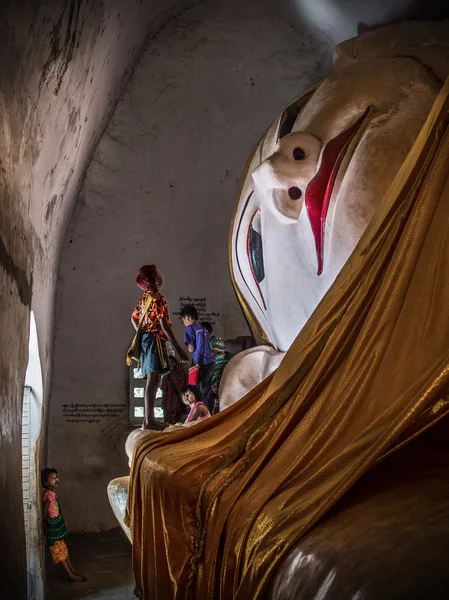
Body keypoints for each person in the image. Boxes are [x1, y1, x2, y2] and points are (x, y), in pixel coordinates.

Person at [131, 265, 188, 430]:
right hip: (154, 341)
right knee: (153, 379)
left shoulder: (144, 298)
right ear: (154, 279)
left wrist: (142, 332)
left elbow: (134, 318)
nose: (160, 276)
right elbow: (164, 325)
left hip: (146, 340)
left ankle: (147, 420)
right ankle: (149, 420)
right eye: (158, 274)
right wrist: (177, 348)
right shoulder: (158, 298)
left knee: (153, 379)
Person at [41, 468, 86, 583]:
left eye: (56, 477)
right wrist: (45, 524)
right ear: (45, 482)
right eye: (52, 478)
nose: (56, 480)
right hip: (53, 527)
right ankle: (71, 575)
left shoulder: (51, 493)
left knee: (63, 550)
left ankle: (73, 571)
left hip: (56, 526)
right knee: (59, 553)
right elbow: (45, 511)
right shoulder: (48, 495)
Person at [180, 304, 215, 412]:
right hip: (210, 363)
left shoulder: (189, 329)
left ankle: (199, 417)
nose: (184, 323)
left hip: (199, 363)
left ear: (188, 317)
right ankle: (207, 416)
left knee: (197, 392)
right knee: (206, 392)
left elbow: (191, 348)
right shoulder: (204, 328)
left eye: (183, 320)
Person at [201, 322, 231, 411]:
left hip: (220, 366)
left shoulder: (218, 342)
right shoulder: (204, 344)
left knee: (213, 383)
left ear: (211, 333)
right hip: (210, 368)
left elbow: (214, 359)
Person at [161, 356, 187, 425]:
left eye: (172, 362)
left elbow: (185, 389)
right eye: (168, 363)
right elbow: (164, 392)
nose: (171, 364)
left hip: (179, 404)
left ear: (176, 363)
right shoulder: (166, 377)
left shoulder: (181, 375)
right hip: (171, 404)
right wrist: (163, 403)